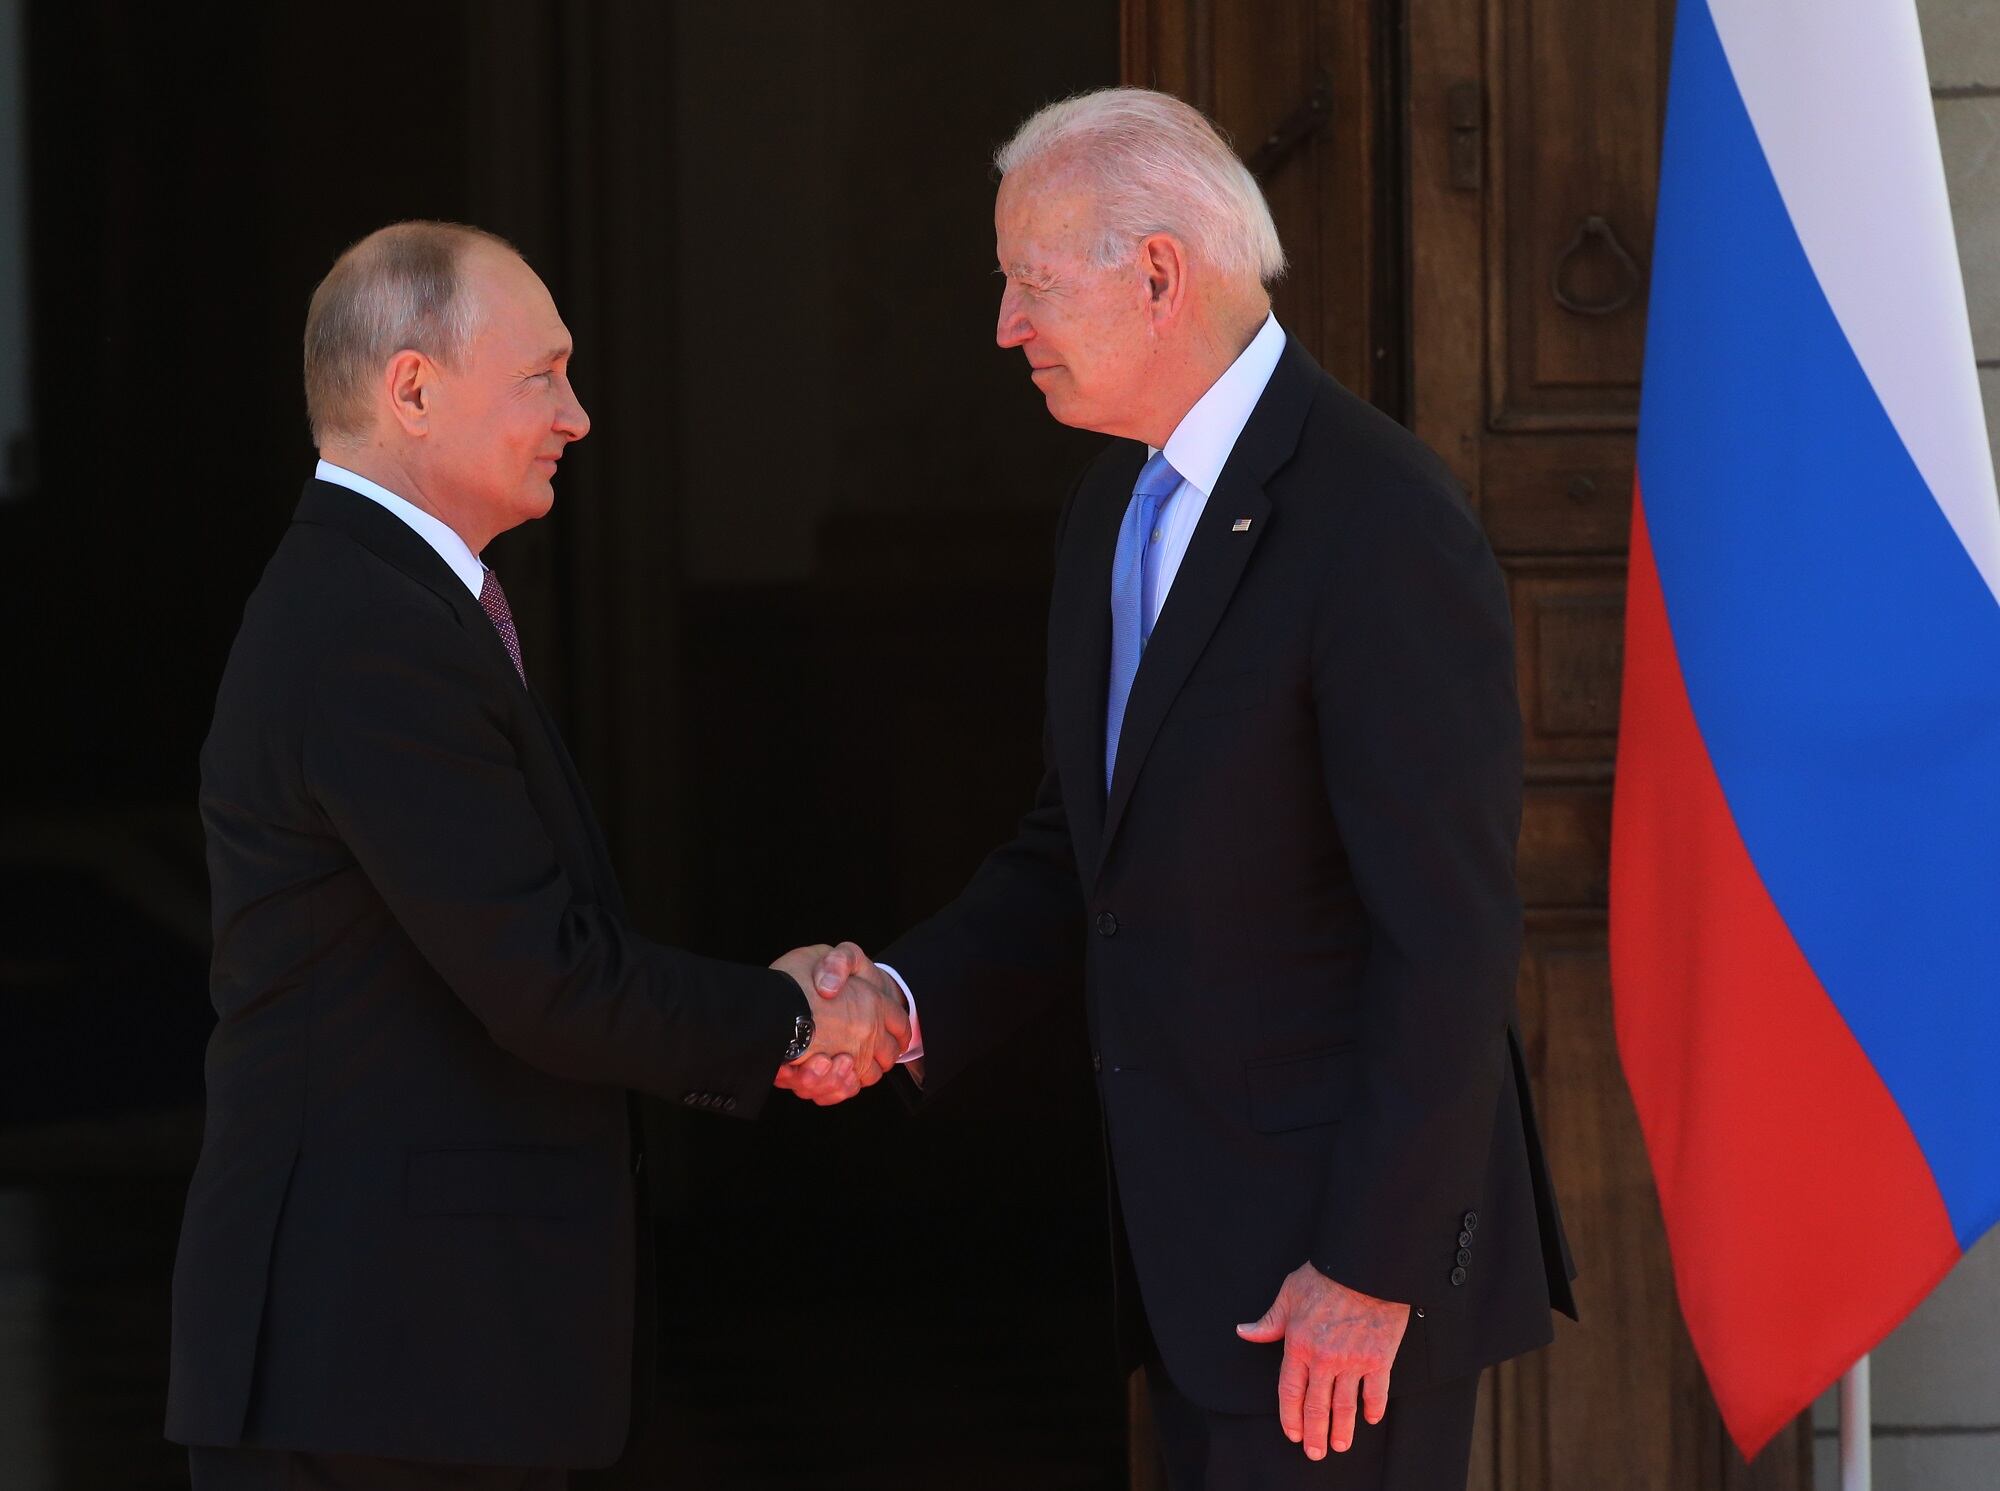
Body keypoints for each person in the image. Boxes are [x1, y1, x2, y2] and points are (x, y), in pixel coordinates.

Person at [784, 90, 1577, 1489]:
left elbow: (1446, 935)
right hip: (1197, 1260)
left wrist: (1370, 1265)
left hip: (1335, 1288)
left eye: (1029, 283)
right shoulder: (1115, 504)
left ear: (1158, 274)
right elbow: (1079, 846)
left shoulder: (1378, 518)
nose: (1005, 328)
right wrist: (898, 1004)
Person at [166, 221, 908, 1491]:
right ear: (412, 389)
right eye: (542, 375)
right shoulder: (368, 629)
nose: (575, 414)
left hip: (407, 1360)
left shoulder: (392, 604)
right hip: (378, 1367)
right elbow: (541, 980)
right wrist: (789, 1019)